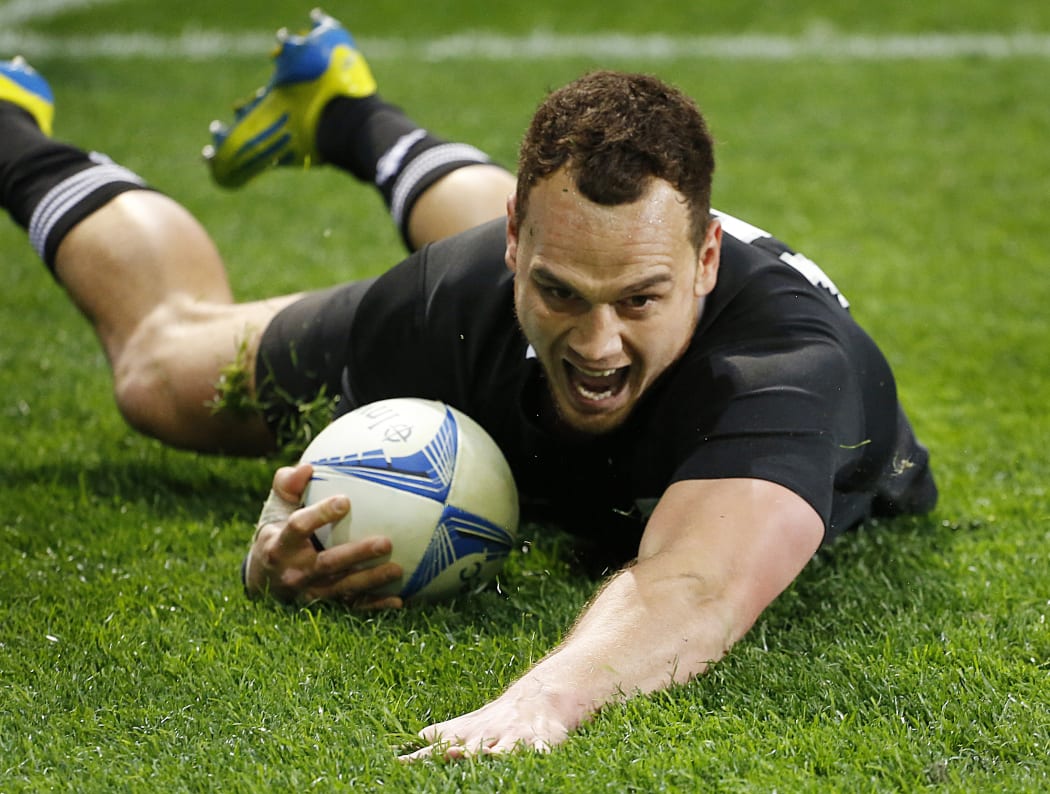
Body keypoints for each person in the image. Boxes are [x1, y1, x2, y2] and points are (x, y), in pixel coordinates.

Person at [0, 11, 936, 759]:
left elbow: (694, 583)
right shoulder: (456, 299)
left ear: (705, 262)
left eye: (640, 300)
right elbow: (551, 267)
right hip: (491, 295)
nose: (600, 344)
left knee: (585, 256)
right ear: (513, 246)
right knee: (162, 376)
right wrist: (273, 549)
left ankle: (346, 114)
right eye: (560, 292)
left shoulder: (781, 372)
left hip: (662, 310)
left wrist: (545, 697)